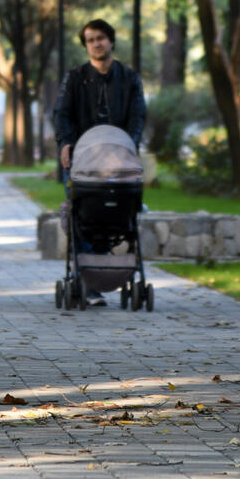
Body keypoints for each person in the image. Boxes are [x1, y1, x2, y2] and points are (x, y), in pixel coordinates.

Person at [53, 18, 146, 305]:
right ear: (86, 45)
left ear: (111, 41)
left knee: (116, 218)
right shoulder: (75, 78)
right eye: (90, 39)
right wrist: (65, 142)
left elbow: (138, 115)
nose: (96, 43)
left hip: (120, 164)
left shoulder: (129, 78)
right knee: (84, 217)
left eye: (101, 38)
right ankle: (88, 281)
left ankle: (110, 274)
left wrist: (130, 143)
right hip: (83, 163)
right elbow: (61, 113)